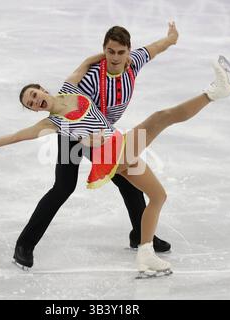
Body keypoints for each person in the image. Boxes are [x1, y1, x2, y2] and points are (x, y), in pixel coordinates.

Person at [0, 54, 230, 275]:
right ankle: (215, 91)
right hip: (110, 153)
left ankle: (143, 247)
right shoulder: (51, 122)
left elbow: (83, 65)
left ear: (42, 89)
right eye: (30, 104)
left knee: (158, 195)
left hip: (115, 146)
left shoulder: (70, 88)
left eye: (34, 95)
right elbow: (15, 137)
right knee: (159, 118)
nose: (35, 101)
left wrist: (109, 56)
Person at [13, 23, 180, 269]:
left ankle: (141, 236)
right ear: (104, 51)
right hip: (74, 133)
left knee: (129, 179)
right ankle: (24, 246)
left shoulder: (134, 62)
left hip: (103, 137)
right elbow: (73, 111)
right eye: (110, 52)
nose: (115, 58)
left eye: (120, 52)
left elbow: (156, 47)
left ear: (128, 52)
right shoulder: (92, 78)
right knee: (63, 187)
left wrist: (171, 37)